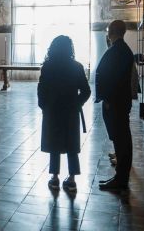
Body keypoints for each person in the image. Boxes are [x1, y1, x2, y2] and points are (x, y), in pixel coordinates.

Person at [38, 35, 91, 192]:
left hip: (53, 111)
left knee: (54, 144)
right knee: (72, 145)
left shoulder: (47, 66)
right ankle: (72, 179)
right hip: (70, 111)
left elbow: (41, 89)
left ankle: (54, 178)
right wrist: (77, 103)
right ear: (70, 48)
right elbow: (86, 91)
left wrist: (45, 106)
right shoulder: (77, 66)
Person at [95, 20, 135, 190]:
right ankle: (120, 176)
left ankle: (121, 179)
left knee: (121, 139)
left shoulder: (119, 50)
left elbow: (114, 79)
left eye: (108, 30)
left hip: (116, 102)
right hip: (117, 101)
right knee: (121, 138)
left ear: (111, 31)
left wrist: (109, 100)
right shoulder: (119, 49)